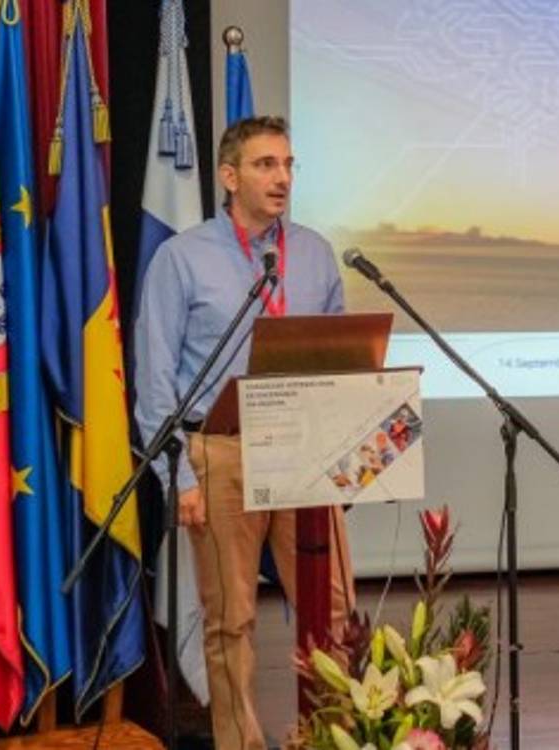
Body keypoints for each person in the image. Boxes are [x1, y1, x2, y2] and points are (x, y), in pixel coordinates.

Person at [133, 115, 355, 750]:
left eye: (288, 164)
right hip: (220, 450)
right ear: (229, 177)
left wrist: (343, 456)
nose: (282, 178)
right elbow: (155, 379)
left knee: (334, 610)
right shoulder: (182, 258)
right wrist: (178, 474)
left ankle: (332, 738)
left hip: (303, 448)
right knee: (230, 619)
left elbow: (339, 357)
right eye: (265, 165)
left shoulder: (313, 252)